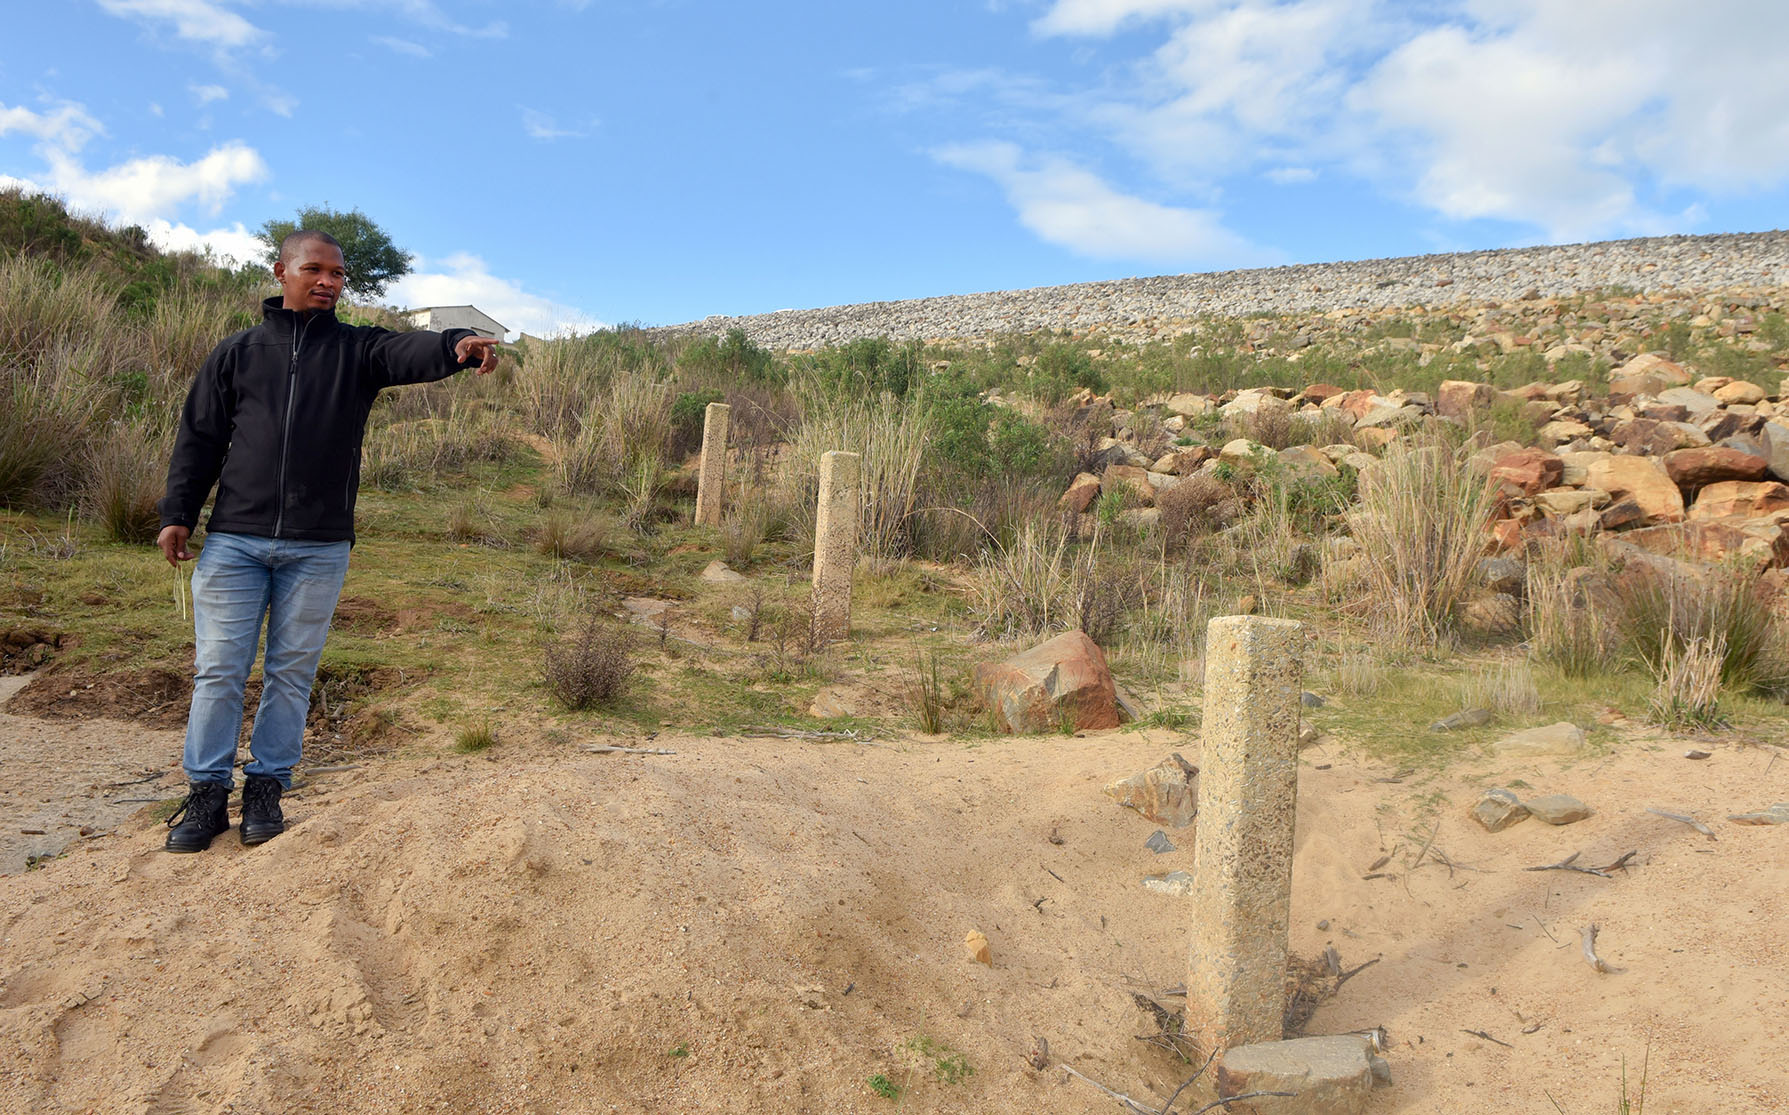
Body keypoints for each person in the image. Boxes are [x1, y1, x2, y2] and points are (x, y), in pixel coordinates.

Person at [155, 229, 500, 853]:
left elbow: (407, 349)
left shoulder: (357, 351)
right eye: (314, 269)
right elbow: (199, 438)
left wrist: (455, 343)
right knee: (219, 672)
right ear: (281, 272)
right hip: (234, 541)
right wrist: (178, 512)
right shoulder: (237, 353)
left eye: (337, 274)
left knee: (291, 672)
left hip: (319, 546)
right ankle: (206, 795)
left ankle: (266, 788)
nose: (328, 282)